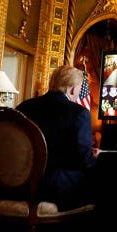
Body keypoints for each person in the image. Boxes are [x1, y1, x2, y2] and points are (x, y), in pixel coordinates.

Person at [16, 65, 100, 211]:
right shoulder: (79, 113)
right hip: (54, 189)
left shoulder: (23, 107)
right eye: (80, 89)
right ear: (73, 89)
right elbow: (84, 160)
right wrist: (94, 157)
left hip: (19, 184)